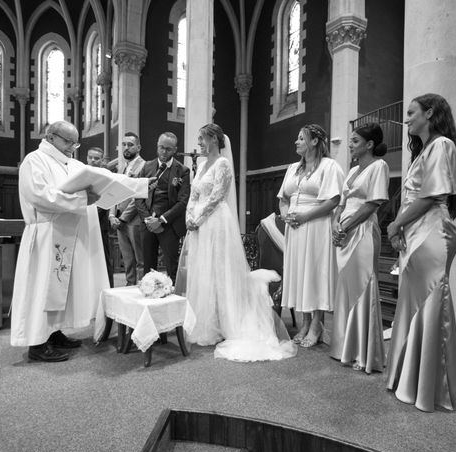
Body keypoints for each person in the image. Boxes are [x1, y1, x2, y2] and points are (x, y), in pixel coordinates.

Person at [10, 121, 151, 362]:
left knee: (60, 289)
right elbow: (40, 196)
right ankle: (36, 342)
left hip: (65, 234)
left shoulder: (72, 164)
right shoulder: (34, 161)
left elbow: (108, 177)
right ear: (51, 137)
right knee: (43, 288)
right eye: (68, 142)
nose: (72, 148)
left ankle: (53, 333)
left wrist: (141, 185)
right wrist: (81, 199)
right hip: (46, 235)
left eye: (75, 143)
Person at [175, 123, 297, 362]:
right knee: (201, 272)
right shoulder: (200, 165)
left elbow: (217, 196)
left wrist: (198, 218)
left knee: (219, 272)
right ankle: (204, 322)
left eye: (201, 138)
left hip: (215, 223)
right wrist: (190, 216)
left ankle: (224, 322)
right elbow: (194, 195)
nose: (198, 142)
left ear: (213, 139)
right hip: (198, 225)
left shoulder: (223, 164)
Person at [385, 93, 456, 412]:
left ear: (430, 113)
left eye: (411, 112)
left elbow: (432, 197)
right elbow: (412, 199)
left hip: (432, 233)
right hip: (418, 232)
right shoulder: (423, 152)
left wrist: (394, 225)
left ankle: (430, 387)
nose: (406, 118)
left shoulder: (442, 145)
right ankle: (410, 378)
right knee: (412, 304)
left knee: (431, 305)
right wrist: (401, 228)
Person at [328, 123, 389, 374]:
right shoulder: (352, 170)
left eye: (354, 141)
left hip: (363, 231)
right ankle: (344, 346)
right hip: (345, 230)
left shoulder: (379, 166)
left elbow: (373, 204)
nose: (350, 145)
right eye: (351, 140)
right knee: (345, 285)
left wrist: (347, 226)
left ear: (369, 144)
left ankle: (364, 353)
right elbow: (342, 203)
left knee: (363, 285)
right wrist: (335, 224)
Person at [277, 124, 345, 348]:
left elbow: (333, 200)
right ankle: (305, 322)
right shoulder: (292, 168)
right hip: (294, 228)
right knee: (300, 274)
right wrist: (286, 216)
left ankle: (317, 324)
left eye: (301, 138)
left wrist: (304, 217)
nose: (296, 142)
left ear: (315, 141)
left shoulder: (329, 166)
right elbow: (283, 198)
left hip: (316, 224)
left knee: (315, 273)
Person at [129, 132, 190, 283]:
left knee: (172, 266)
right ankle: (149, 293)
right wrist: (148, 220)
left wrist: (161, 220)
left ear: (175, 149)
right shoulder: (146, 167)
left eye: (168, 149)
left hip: (169, 225)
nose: (164, 152)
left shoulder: (182, 171)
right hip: (148, 224)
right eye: (161, 147)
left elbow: (183, 202)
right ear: (157, 146)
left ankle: (173, 298)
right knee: (147, 265)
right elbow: (138, 196)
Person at [109, 132, 146, 285]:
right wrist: (112, 215)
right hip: (119, 218)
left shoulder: (144, 166)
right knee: (127, 257)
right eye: (124, 144)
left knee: (140, 258)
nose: (126, 148)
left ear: (138, 147)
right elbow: (115, 191)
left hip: (134, 219)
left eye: (130, 145)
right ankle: (129, 284)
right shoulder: (122, 167)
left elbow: (139, 195)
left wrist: (123, 218)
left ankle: (143, 287)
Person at [86, 146, 114, 288]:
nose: (92, 160)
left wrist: (92, 214)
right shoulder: (82, 174)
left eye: (96, 158)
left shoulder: (106, 175)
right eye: (90, 157)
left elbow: (107, 199)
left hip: (100, 223)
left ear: (102, 160)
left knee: (103, 258)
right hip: (84, 223)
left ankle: (108, 288)